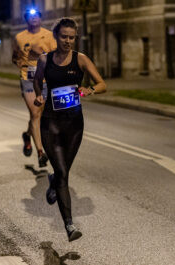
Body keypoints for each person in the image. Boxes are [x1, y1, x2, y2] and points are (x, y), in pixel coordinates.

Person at [33, 18, 107, 242]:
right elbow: (38, 81)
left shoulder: (81, 60)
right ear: (56, 37)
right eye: (63, 36)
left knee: (64, 169)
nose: (67, 41)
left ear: (76, 38)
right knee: (64, 173)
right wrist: (39, 94)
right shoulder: (45, 60)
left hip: (74, 124)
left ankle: (54, 180)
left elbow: (103, 84)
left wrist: (88, 90)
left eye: (71, 37)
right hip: (50, 123)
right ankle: (69, 225)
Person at [12, 8, 56, 167]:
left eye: (37, 15)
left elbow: (55, 56)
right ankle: (40, 153)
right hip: (28, 79)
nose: (34, 18)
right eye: (31, 16)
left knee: (39, 115)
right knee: (35, 113)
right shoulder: (19, 37)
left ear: (41, 19)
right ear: (27, 20)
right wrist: (21, 64)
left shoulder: (49, 35)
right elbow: (15, 56)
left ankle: (27, 135)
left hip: (45, 80)